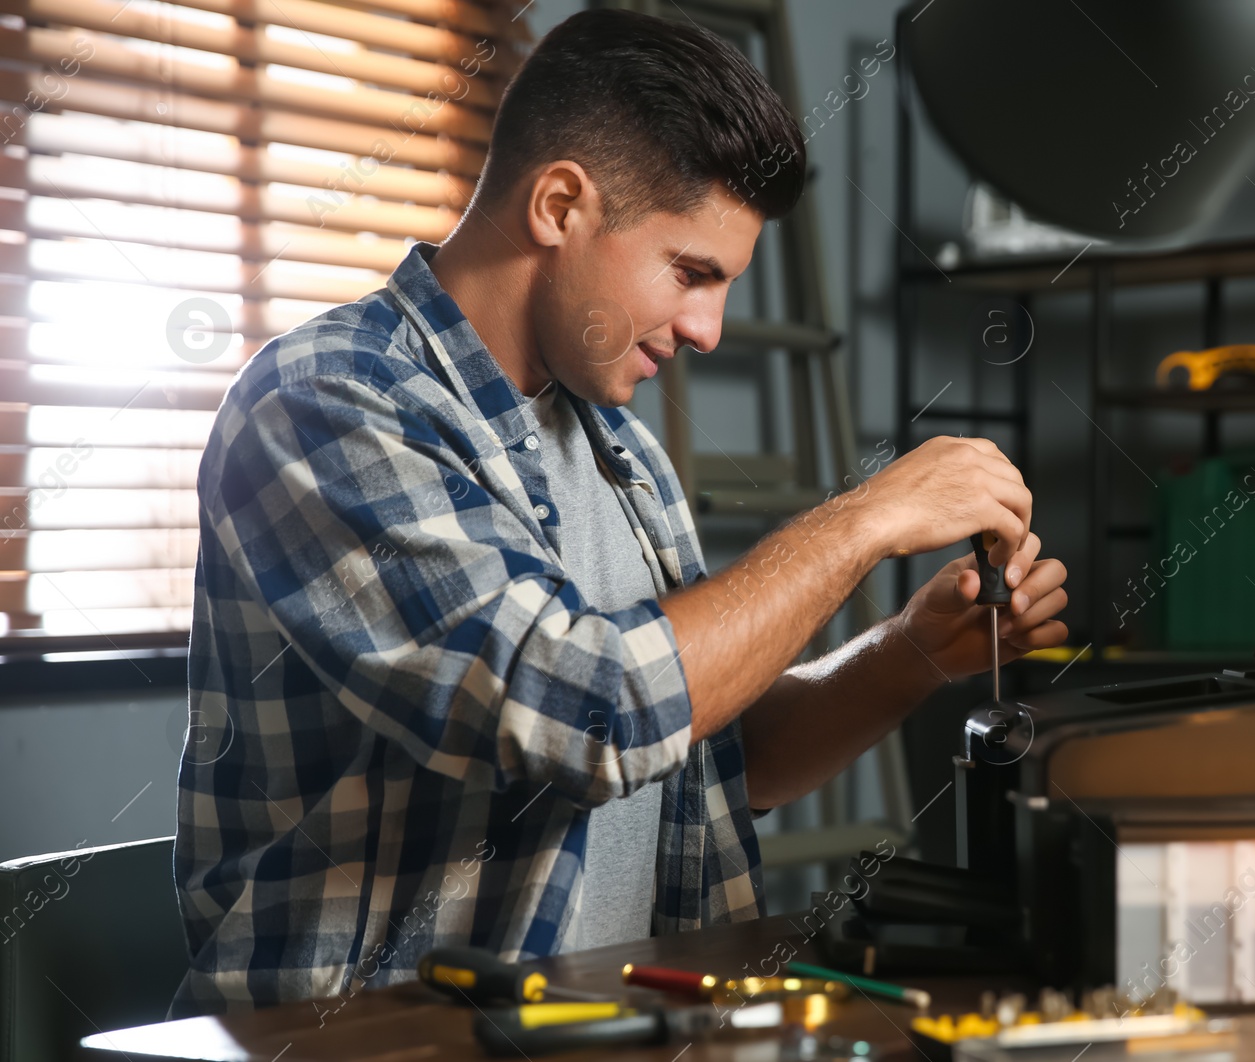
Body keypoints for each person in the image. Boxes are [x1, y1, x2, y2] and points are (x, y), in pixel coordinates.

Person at [172, 7, 1068, 1015]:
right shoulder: (326, 402)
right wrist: (860, 521)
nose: (709, 329)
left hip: (609, 1026)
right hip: (366, 1043)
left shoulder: (622, 452)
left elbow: (707, 757)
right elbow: (584, 713)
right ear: (561, 204)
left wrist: (908, 654)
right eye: (691, 273)